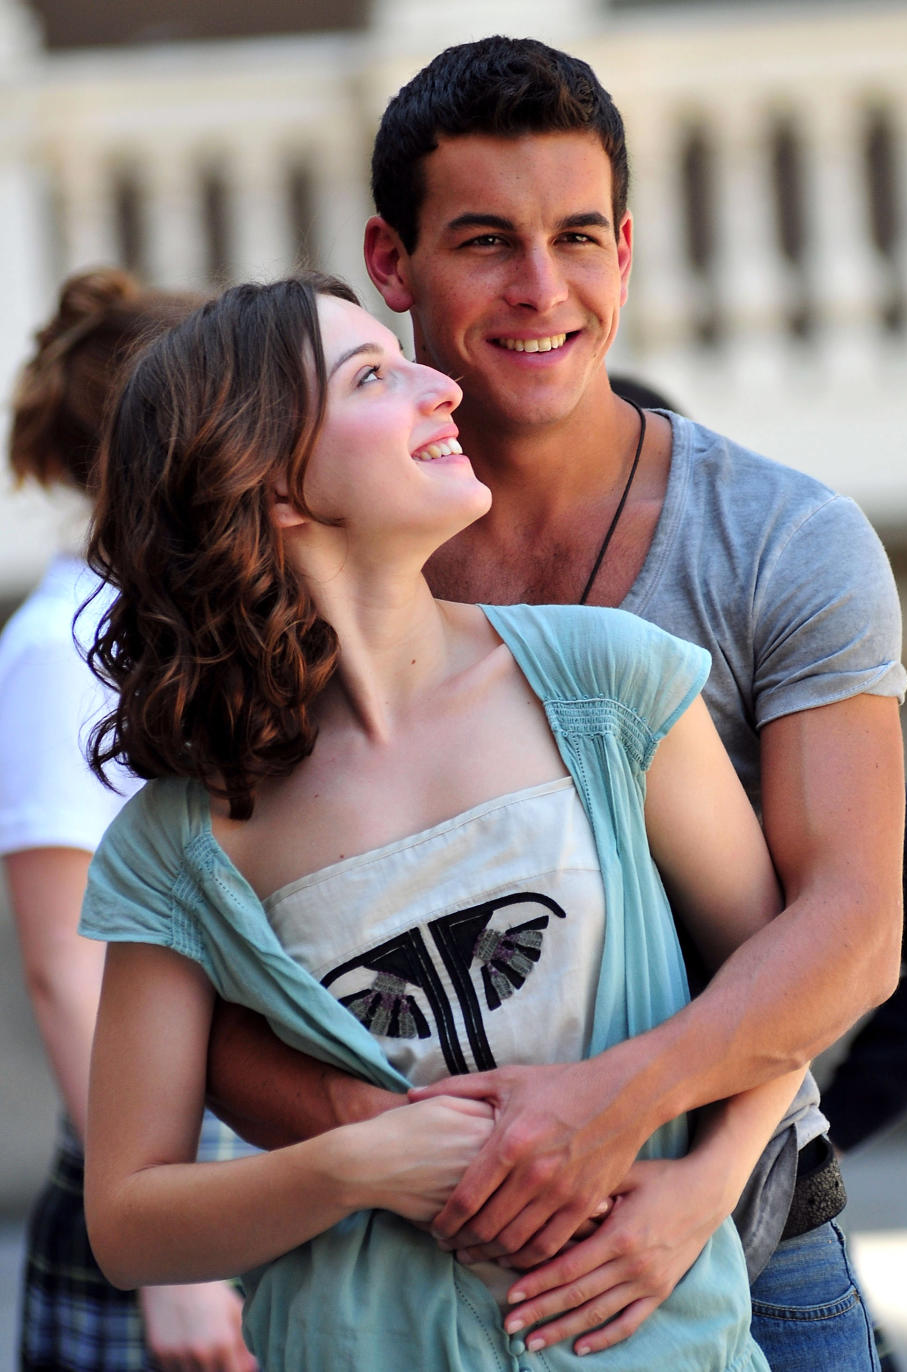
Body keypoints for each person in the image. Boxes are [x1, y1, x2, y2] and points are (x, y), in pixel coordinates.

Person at [204, 36, 907, 1370]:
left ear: (627, 252)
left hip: (742, 1224)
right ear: (392, 262)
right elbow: (209, 969)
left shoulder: (780, 541)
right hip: (404, 1266)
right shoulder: (304, 565)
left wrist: (664, 1167)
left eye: (578, 237)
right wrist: (383, 1141)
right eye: (485, 242)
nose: (543, 290)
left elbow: (850, 934)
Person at [78, 270, 811, 1370]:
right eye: (375, 374)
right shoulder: (180, 844)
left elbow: (782, 985)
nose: (442, 387)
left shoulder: (608, 684)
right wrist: (355, 1163)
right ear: (275, 484)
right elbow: (127, 1220)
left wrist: (703, 1192)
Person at [0, 268, 259, 1372]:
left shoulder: (185, 624)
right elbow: (69, 968)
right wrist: (176, 1260)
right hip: (164, 1175)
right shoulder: (62, 647)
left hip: (248, 1165)